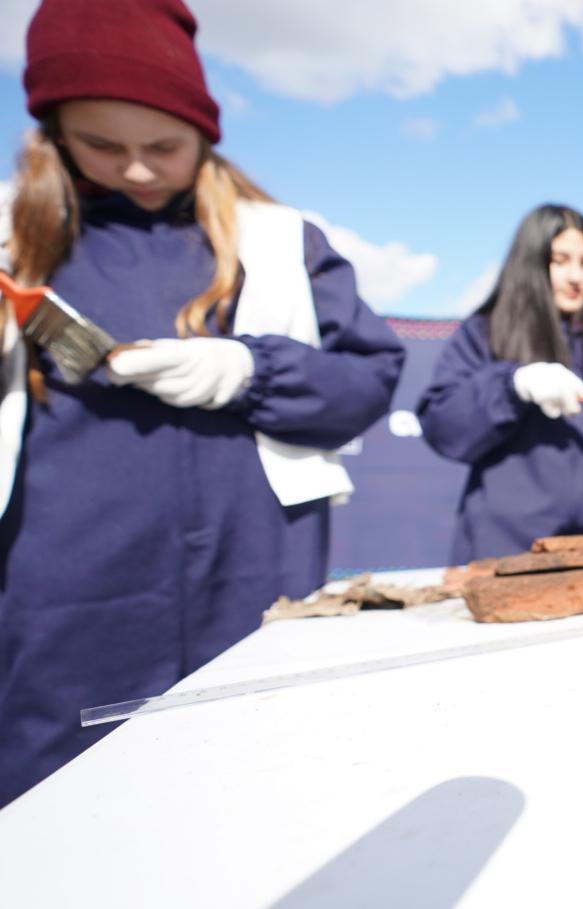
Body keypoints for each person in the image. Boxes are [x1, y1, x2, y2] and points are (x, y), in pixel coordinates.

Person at [0, 0, 405, 805]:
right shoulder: (12, 235)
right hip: (65, 613)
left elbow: (367, 379)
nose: (140, 171)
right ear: (52, 135)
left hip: (253, 587)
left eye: (164, 146)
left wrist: (247, 371)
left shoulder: (280, 240)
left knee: (254, 800)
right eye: (102, 146)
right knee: (66, 821)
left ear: (205, 134)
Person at [418, 204, 583, 562]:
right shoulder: (484, 334)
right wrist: (511, 386)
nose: (576, 277)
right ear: (532, 263)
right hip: (504, 553)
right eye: (560, 261)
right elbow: (444, 428)